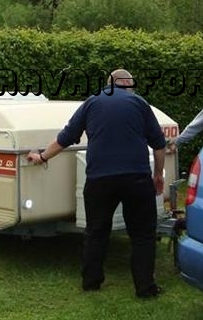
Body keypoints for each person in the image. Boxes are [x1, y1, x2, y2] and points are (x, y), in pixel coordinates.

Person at [27, 69, 166, 298]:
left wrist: (42, 157)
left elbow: (65, 137)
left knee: (96, 232)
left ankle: (91, 282)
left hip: (100, 179)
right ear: (127, 83)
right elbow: (159, 144)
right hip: (136, 177)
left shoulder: (91, 103)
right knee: (142, 235)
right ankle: (145, 287)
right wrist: (158, 174)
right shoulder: (139, 103)